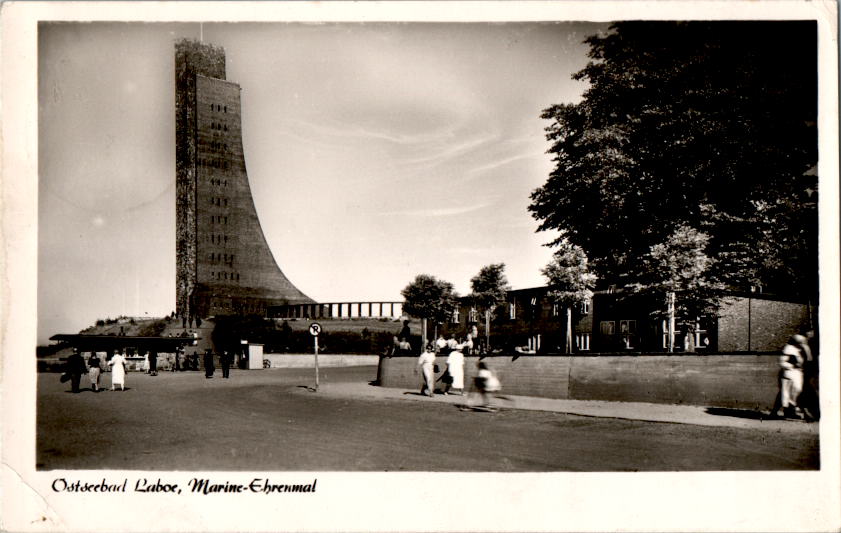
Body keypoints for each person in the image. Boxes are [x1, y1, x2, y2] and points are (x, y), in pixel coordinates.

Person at [772, 335, 806, 419]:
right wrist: (792, 366)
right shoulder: (789, 349)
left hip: (797, 374)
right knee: (787, 393)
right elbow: (782, 362)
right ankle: (777, 412)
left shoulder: (799, 349)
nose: (802, 343)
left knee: (794, 392)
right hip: (789, 374)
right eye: (800, 342)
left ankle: (789, 412)